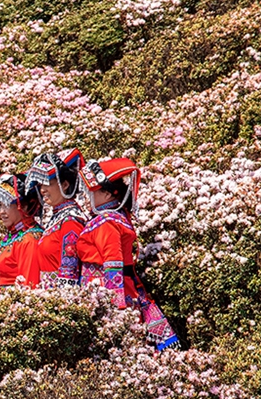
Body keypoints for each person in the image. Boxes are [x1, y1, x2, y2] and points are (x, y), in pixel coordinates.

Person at [76, 158, 179, 350]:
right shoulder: (115, 218)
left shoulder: (107, 222)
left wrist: (115, 308)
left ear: (106, 194)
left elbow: (112, 264)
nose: (85, 197)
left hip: (110, 293)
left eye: (91, 192)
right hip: (122, 288)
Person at [27, 149, 89, 288]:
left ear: (65, 184)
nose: (42, 190)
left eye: (47, 183)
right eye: (40, 184)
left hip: (59, 298)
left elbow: (70, 273)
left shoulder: (71, 220)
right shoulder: (59, 218)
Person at [0, 172, 42, 289]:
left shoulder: (29, 240)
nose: (1, 211)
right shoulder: (15, 235)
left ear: (24, 206)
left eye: (6, 205)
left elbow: (29, 285)